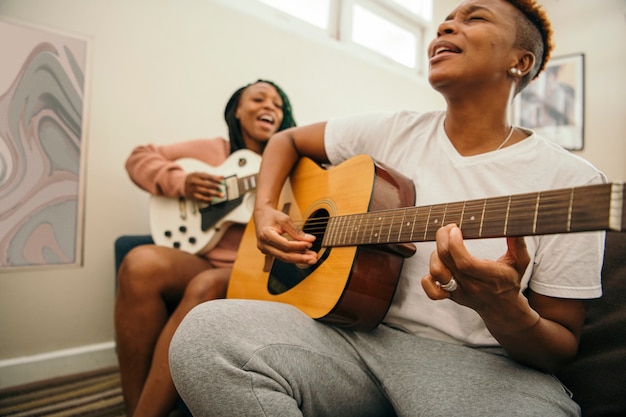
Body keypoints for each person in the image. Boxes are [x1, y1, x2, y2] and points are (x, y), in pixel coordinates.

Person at [169, 1, 606, 415]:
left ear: (520, 62)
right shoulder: (394, 129)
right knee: (205, 334)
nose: (445, 26)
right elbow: (286, 140)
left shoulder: (574, 182)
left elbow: (559, 344)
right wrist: (264, 209)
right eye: (446, 19)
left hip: (483, 366)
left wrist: (504, 308)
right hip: (352, 340)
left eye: (475, 18)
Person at [114, 79, 297, 417]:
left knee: (206, 286)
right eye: (258, 99)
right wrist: (180, 182)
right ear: (237, 110)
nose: (269, 106)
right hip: (202, 258)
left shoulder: (295, 161)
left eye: (278, 103)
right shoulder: (212, 150)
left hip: (252, 269)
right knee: (138, 263)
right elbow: (139, 157)